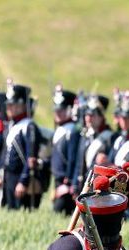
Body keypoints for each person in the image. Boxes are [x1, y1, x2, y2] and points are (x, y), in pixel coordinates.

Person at [0, 81, 44, 210]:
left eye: (13, 104)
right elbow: (5, 152)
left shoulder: (29, 126)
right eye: (8, 104)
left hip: (20, 178)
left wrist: (23, 181)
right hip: (9, 177)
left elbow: (30, 158)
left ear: (22, 105)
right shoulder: (12, 125)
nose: (9, 108)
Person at [70, 94, 113, 194]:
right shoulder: (85, 135)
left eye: (92, 115)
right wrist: (75, 184)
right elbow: (79, 162)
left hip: (98, 187)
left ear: (101, 116)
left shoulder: (109, 137)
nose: (88, 118)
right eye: (87, 114)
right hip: (83, 184)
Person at [50, 85, 78, 215]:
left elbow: (73, 158)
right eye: (56, 110)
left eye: (62, 110)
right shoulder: (61, 129)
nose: (58, 113)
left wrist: (69, 181)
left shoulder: (72, 130)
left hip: (66, 182)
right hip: (58, 180)